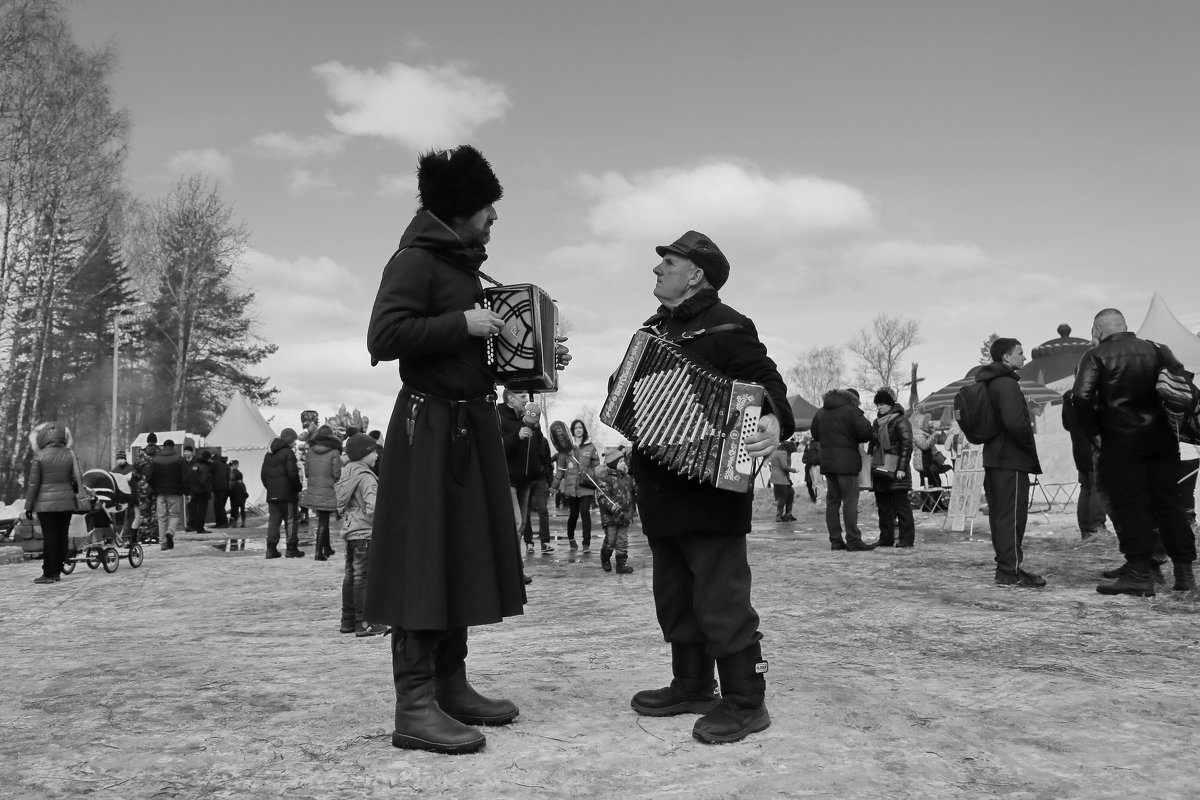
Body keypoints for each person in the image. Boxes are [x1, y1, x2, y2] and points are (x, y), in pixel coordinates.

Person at [364, 144, 568, 755]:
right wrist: (465, 325)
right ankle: (414, 706)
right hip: (427, 429)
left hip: (469, 425)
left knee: (457, 555)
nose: (494, 219)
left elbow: (474, 354)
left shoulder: (464, 269)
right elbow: (384, 336)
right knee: (424, 558)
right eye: (487, 208)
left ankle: (450, 686)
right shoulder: (414, 262)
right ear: (460, 210)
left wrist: (526, 363)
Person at [625, 230, 793, 745]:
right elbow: (622, 392)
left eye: (668, 262)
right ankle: (692, 684)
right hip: (659, 486)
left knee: (720, 597)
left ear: (695, 273)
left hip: (711, 487)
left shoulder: (727, 327)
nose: (657, 270)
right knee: (674, 595)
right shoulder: (652, 332)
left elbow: (770, 386)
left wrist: (773, 419)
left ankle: (745, 699)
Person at [1072, 308, 1196, 594]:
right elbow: (1181, 387)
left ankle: (1140, 574)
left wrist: (1094, 434)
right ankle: (1185, 575)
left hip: (1121, 443)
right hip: (1163, 442)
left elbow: (1081, 396)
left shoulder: (1096, 354)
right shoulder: (1158, 349)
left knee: (1133, 506)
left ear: (1098, 330)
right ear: (1126, 326)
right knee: (1170, 505)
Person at [977, 337, 1045, 587]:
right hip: (1010, 459)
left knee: (1000, 516)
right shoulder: (1006, 384)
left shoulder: (990, 383)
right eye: (1020, 353)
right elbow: (1015, 423)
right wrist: (1027, 449)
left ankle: (1006, 568)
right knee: (1012, 517)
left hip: (995, 458)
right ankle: (1009, 570)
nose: (1024, 357)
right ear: (1006, 357)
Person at [337, 433, 389, 637]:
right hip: (365, 533)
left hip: (350, 532)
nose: (377, 455)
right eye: (374, 451)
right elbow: (375, 507)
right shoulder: (366, 477)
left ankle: (348, 620)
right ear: (364, 454)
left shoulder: (347, 473)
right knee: (363, 578)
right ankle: (365, 622)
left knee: (351, 576)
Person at [810, 388, 875, 551]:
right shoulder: (852, 411)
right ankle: (853, 540)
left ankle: (836, 541)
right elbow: (867, 432)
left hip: (828, 463)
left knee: (832, 503)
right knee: (850, 502)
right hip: (847, 464)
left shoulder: (821, 412)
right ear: (853, 399)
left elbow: (815, 434)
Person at [25, 422, 86, 584]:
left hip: (45, 505)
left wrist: (28, 506)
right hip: (66, 503)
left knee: (50, 537)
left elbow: (33, 484)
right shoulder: (70, 454)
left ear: (44, 437)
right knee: (62, 536)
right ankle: (57, 571)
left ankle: (48, 573)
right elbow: (77, 477)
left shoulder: (40, 456)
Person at [497, 390, 554, 554]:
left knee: (520, 525)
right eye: (521, 396)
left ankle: (516, 568)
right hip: (509, 481)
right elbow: (495, 446)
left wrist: (535, 426)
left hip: (526, 481)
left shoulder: (525, 418)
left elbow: (539, 446)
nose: (526, 400)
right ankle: (511, 569)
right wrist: (516, 436)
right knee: (517, 522)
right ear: (510, 399)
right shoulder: (499, 416)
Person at [868, 389, 915, 548]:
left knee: (902, 507)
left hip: (896, 470)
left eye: (881, 404)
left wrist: (901, 468)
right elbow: (872, 445)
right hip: (880, 469)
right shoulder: (877, 423)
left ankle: (906, 539)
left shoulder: (901, 421)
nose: (879, 407)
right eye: (877, 405)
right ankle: (886, 537)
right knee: (883, 507)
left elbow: (906, 446)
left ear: (890, 404)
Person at [1062, 388, 1109, 540]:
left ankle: (1085, 528)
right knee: (1097, 487)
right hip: (1093, 448)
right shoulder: (1091, 397)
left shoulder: (1069, 400)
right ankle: (1097, 527)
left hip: (1079, 450)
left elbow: (1066, 425)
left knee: (1086, 488)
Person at [552, 419, 600, 552]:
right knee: (573, 514)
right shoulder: (566, 449)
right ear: (571, 431)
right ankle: (571, 539)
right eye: (576, 428)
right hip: (571, 487)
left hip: (586, 486)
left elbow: (596, 467)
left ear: (584, 430)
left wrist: (590, 474)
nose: (578, 430)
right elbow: (560, 470)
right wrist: (554, 486)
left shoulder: (591, 447)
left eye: (581, 427)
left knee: (585, 512)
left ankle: (586, 544)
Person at [302, 424, 343, 561]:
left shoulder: (310, 451)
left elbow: (307, 472)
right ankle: (318, 552)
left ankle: (327, 547)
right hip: (328, 487)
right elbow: (336, 473)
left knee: (322, 518)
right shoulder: (334, 452)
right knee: (324, 520)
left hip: (314, 488)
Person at [261, 427, 303, 558]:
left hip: (272, 494)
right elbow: (292, 474)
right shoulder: (288, 453)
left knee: (274, 521)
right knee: (291, 520)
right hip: (288, 494)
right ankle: (291, 548)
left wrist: (271, 488)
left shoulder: (268, 454)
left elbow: (263, 475)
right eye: (294, 441)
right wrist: (297, 487)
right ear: (289, 440)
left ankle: (271, 549)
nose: (295, 443)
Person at [596, 446, 635, 574]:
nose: (624, 463)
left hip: (624, 516)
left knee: (622, 540)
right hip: (611, 517)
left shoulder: (627, 478)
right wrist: (613, 506)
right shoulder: (605, 479)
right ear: (612, 464)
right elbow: (603, 497)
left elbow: (635, 489)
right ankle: (605, 557)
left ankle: (621, 564)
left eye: (623, 461)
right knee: (611, 540)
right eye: (620, 461)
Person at [147, 438, 188, 550]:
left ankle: (163, 543)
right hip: (174, 493)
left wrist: (155, 488)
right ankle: (170, 532)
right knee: (174, 515)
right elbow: (185, 477)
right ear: (173, 447)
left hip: (160, 493)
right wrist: (186, 491)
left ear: (163, 447)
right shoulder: (179, 458)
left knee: (161, 518)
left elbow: (149, 477)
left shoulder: (155, 459)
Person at [132, 435, 159, 544]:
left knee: (144, 513)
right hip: (157, 488)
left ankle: (143, 536)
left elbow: (134, 474)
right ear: (156, 441)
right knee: (156, 512)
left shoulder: (140, 456)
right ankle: (154, 536)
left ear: (147, 441)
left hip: (143, 488)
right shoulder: (159, 455)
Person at [767, 440, 798, 522]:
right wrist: (794, 470)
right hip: (780, 478)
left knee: (790, 493)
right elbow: (785, 466)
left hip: (781, 477)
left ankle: (788, 514)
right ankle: (779, 515)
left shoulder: (777, 452)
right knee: (783, 496)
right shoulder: (783, 453)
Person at [111, 450, 135, 544]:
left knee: (130, 516)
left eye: (122, 458)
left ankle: (128, 535)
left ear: (125, 459)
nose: (120, 460)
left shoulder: (131, 468)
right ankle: (119, 536)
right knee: (119, 517)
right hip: (119, 497)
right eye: (118, 459)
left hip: (129, 495)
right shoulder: (114, 470)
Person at [186, 449, 213, 533]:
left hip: (193, 492)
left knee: (194, 510)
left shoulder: (194, 465)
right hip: (202, 492)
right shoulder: (205, 467)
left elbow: (189, 478)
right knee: (202, 510)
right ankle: (200, 528)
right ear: (208, 458)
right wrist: (208, 492)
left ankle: (192, 525)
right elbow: (204, 481)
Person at [210, 454, 230, 529]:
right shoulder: (225, 464)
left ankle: (222, 523)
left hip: (217, 487)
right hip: (225, 487)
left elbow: (209, 473)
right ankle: (222, 523)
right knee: (220, 505)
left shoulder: (214, 464)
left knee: (218, 506)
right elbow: (228, 476)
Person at [800, 434, 821, 503]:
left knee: (817, 482)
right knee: (810, 484)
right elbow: (804, 458)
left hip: (815, 465)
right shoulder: (807, 447)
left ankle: (819, 499)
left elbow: (819, 455)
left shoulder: (816, 444)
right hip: (809, 467)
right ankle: (814, 498)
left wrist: (812, 461)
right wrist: (807, 461)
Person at [228, 459, 248, 528]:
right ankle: (243, 523)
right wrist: (245, 497)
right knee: (242, 511)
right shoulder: (242, 485)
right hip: (242, 500)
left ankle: (234, 523)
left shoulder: (233, 485)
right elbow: (245, 493)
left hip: (235, 499)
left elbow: (231, 492)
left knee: (235, 511)